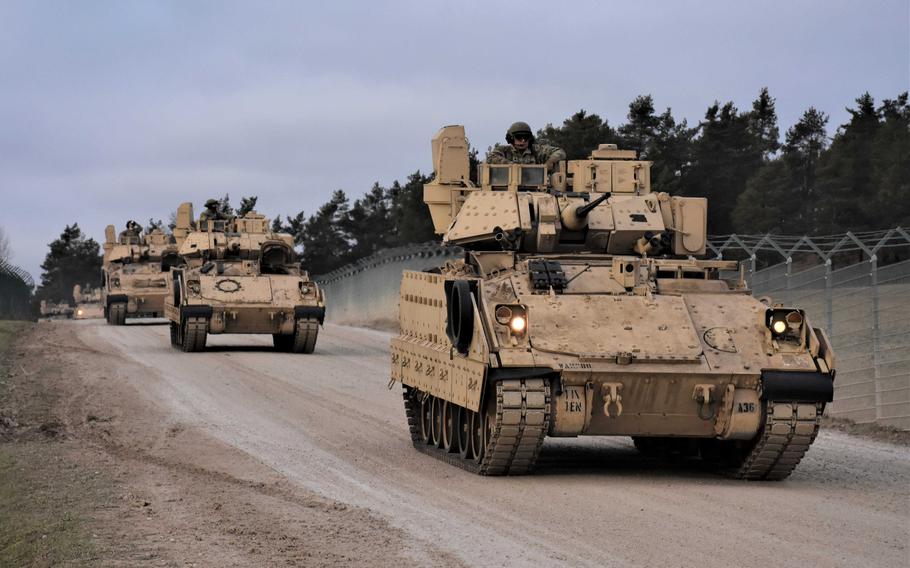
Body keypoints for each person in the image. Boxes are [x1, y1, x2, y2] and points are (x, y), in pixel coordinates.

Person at [486, 121, 566, 171]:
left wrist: (548, 165)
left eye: (526, 137)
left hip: (536, 188)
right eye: (519, 137)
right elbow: (490, 157)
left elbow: (560, 152)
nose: (523, 140)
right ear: (511, 138)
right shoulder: (504, 150)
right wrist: (513, 166)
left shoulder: (536, 150)